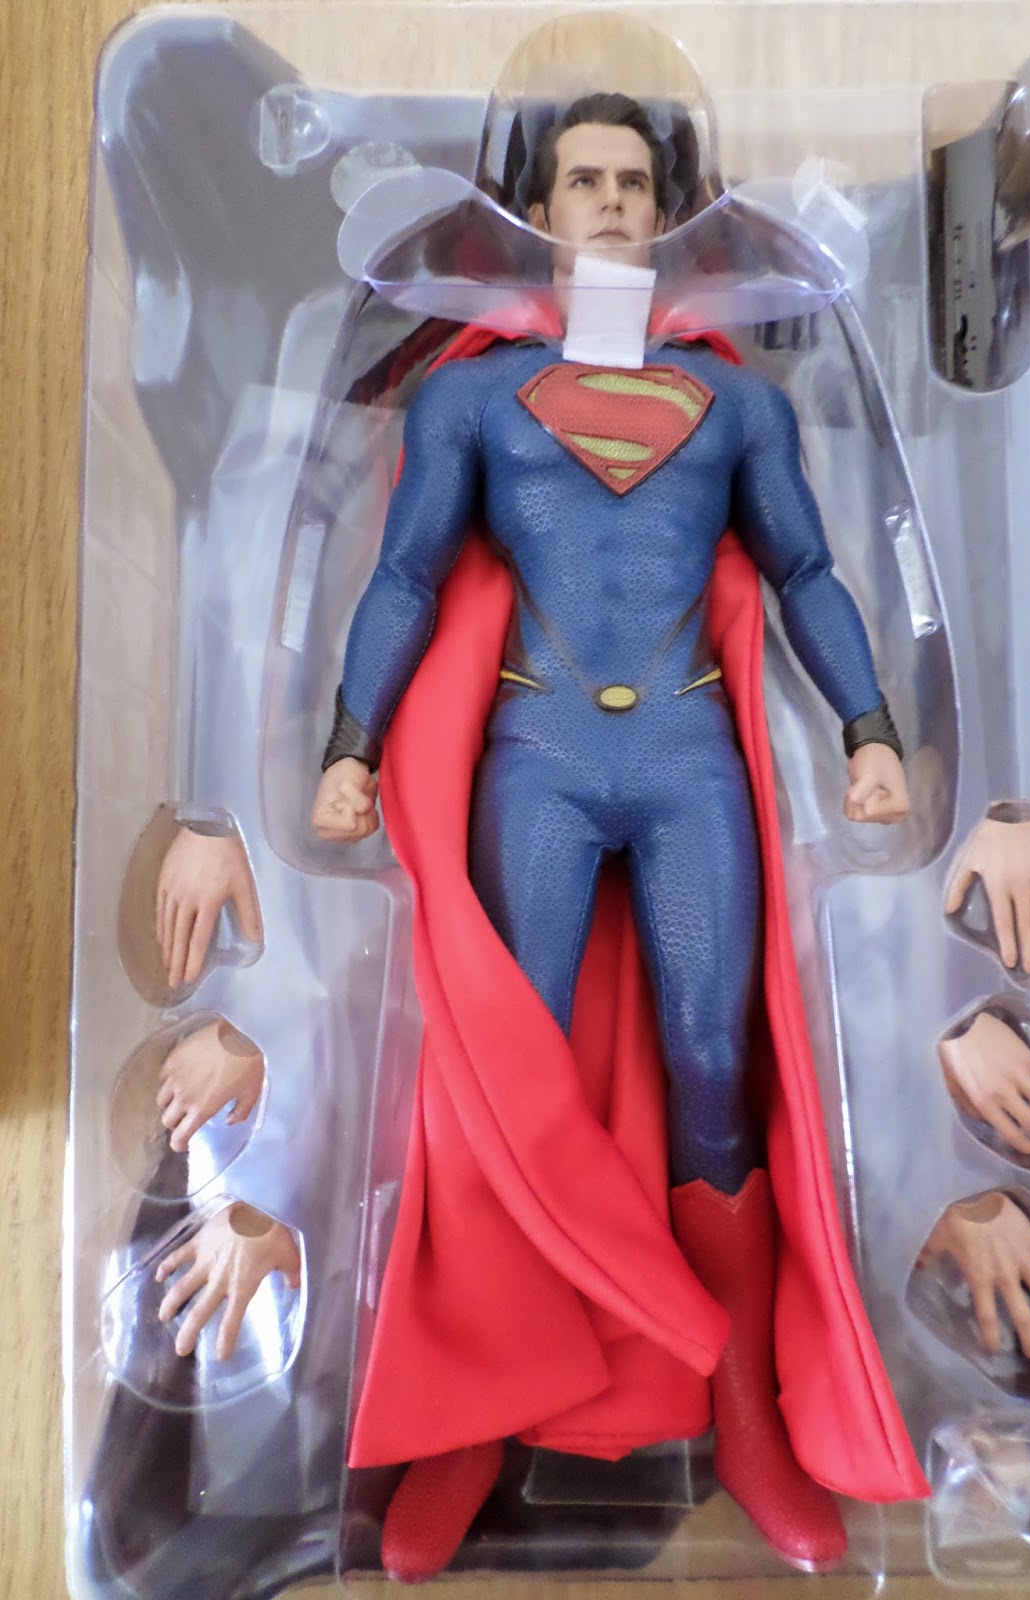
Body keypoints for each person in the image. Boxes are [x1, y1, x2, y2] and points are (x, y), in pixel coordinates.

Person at [310, 91, 927, 1579]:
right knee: (511, 1074)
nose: (605, 201)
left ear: (667, 212)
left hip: (685, 753)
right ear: (535, 211)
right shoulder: (471, 400)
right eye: (580, 179)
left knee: (714, 1061)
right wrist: (350, 748)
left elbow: (809, 573)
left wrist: (870, 728)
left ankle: (746, 1413)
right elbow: (405, 580)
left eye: (633, 183)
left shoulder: (739, 405)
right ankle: (475, 1412)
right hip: (536, 755)